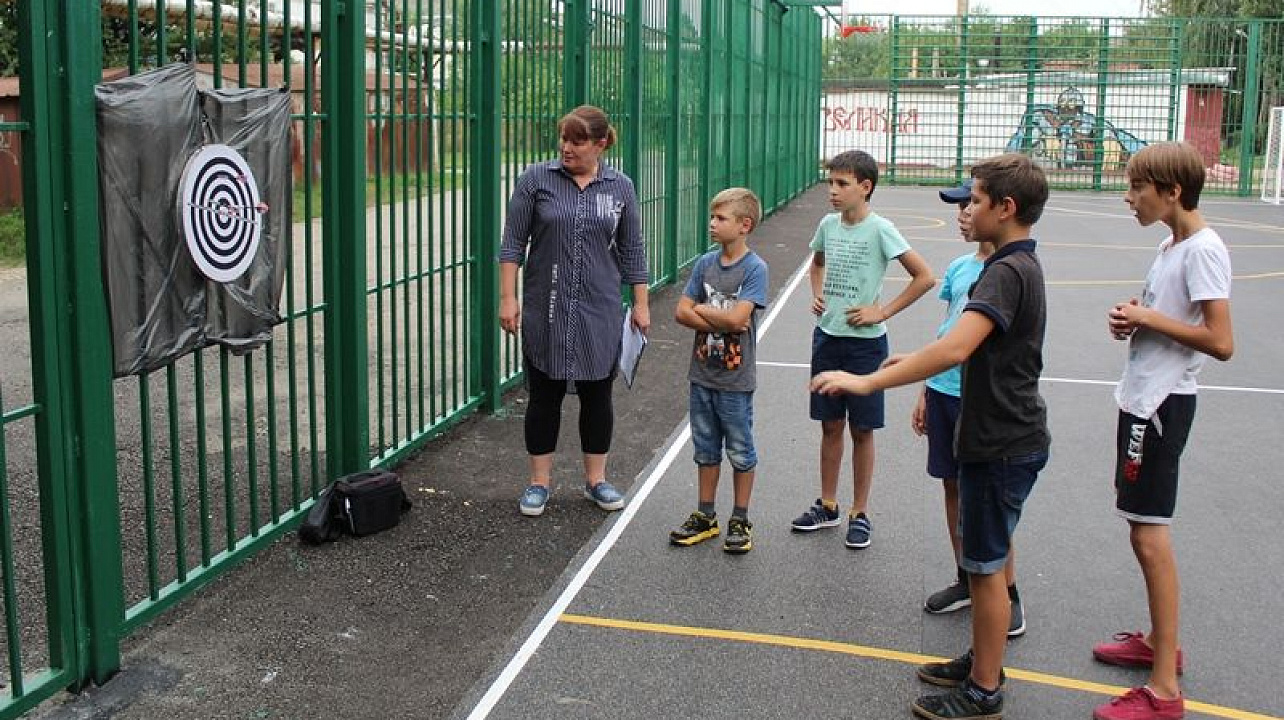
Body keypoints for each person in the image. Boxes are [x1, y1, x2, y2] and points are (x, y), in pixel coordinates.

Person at [811, 153, 1050, 720]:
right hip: (991, 434)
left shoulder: (1008, 272)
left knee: (987, 570)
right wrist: (913, 362)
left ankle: (985, 690)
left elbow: (953, 349)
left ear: (1005, 207)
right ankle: (981, 660)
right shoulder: (1011, 266)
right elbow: (956, 346)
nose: (967, 206)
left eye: (975, 197)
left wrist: (868, 377)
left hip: (1003, 439)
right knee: (981, 562)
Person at [1091, 142, 1233, 720]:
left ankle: (1165, 692)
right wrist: (1137, 319)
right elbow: (1176, 321)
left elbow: (1222, 342)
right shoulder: (1172, 243)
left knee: (1151, 535)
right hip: (1143, 399)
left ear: (1171, 193)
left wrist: (1148, 319)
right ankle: (1159, 643)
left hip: (1164, 407)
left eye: (1137, 188)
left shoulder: (1203, 250)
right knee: (1138, 528)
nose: (1129, 197)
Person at [498, 105, 651, 518]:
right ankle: (538, 483)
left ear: (600, 144)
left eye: (577, 141)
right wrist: (508, 298)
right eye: (564, 138)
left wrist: (640, 303)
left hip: (599, 305)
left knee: (597, 394)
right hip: (546, 303)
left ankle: (596, 481)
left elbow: (633, 249)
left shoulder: (620, 187)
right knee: (544, 393)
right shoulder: (535, 181)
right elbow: (513, 243)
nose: (567, 147)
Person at [793, 149, 934, 549]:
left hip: (865, 346)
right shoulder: (827, 225)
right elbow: (816, 263)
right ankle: (828, 504)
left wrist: (882, 309)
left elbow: (924, 277)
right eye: (830, 182)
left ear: (865, 187)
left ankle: (860, 511)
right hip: (828, 337)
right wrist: (817, 294)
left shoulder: (880, 229)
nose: (832, 191)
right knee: (830, 424)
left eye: (842, 183)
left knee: (862, 429)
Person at [917, 180, 1026, 639]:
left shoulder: (1008, 273)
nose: (962, 214)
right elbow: (945, 330)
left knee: (985, 499)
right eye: (959, 207)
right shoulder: (960, 267)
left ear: (997, 210)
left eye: (969, 205)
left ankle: (1008, 589)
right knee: (952, 487)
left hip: (978, 399)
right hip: (943, 390)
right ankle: (966, 576)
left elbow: (971, 345)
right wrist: (925, 387)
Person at [668, 188, 769, 554]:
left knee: (740, 449)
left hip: (735, 380)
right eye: (712, 217)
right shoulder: (704, 264)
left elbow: (740, 319)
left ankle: (740, 518)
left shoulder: (755, 269)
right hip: (702, 376)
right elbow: (681, 312)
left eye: (720, 218)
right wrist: (720, 317)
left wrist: (706, 312)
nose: (712, 224)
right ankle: (705, 515)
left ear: (744, 225)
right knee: (705, 448)